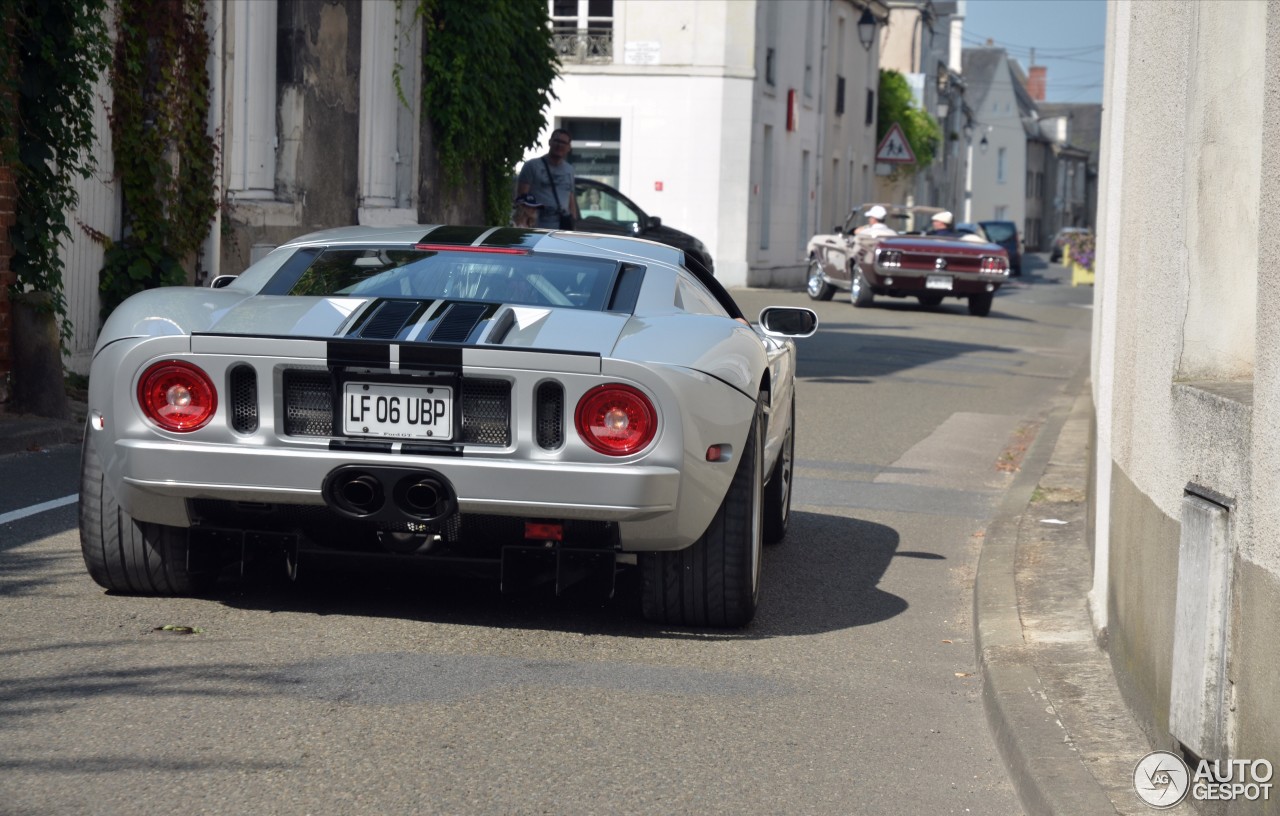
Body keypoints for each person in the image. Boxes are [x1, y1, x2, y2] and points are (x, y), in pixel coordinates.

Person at [516, 129, 579, 230]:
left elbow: (570, 199)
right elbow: (521, 198)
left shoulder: (569, 170)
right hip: (538, 228)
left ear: (569, 147)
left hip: (562, 227)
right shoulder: (532, 166)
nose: (559, 145)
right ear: (550, 142)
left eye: (563, 143)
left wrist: (573, 224)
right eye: (557, 141)